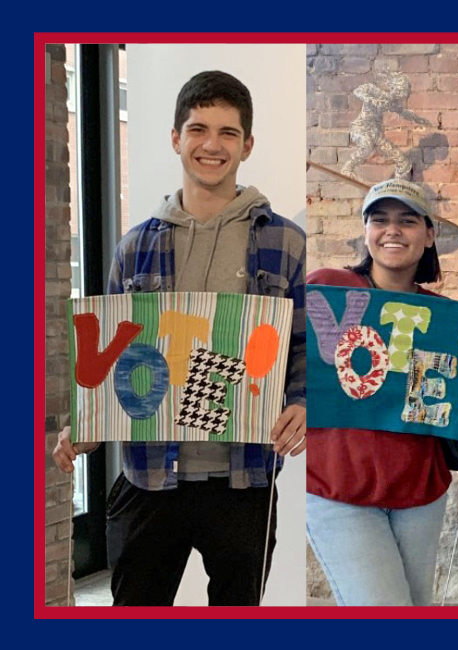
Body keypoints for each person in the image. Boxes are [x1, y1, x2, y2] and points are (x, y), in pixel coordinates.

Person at [52, 70, 307, 606]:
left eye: (228, 132)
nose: (211, 145)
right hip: (148, 476)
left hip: (244, 479)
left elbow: (301, 345)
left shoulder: (284, 240)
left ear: (247, 145)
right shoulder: (133, 248)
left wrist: (303, 403)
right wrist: (89, 420)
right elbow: (113, 352)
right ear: (176, 138)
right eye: (197, 129)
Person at [305, 178, 458, 606]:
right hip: (338, 486)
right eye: (380, 220)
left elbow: (451, 401)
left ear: (429, 234)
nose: (392, 230)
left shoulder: (447, 319)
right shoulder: (329, 288)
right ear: (366, 231)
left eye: (407, 221)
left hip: (419, 491)